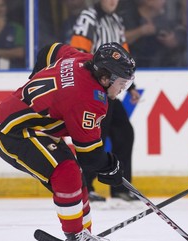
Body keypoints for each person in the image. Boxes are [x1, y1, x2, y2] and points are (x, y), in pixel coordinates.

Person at [0, 41, 136, 241]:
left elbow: (49, 49)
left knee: (74, 174)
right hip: (14, 134)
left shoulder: (82, 59)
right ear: (105, 78)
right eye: (122, 82)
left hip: (33, 127)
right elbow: (90, 157)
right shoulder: (89, 99)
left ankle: (85, 234)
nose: (123, 87)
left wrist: (33, 79)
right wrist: (111, 166)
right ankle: (76, 238)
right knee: (66, 171)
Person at [70, 0, 141, 202]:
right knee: (94, 136)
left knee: (124, 132)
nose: (112, 1)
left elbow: (123, 59)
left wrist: (131, 86)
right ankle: (85, 185)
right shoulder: (88, 18)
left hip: (110, 88)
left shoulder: (116, 20)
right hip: (94, 88)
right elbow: (78, 53)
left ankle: (119, 186)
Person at [119, 0, 187, 67]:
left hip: (160, 68)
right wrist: (142, 31)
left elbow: (180, 31)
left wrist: (173, 40)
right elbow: (120, 39)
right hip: (133, 68)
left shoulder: (162, 19)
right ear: (148, 1)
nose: (164, 1)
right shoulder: (127, 17)